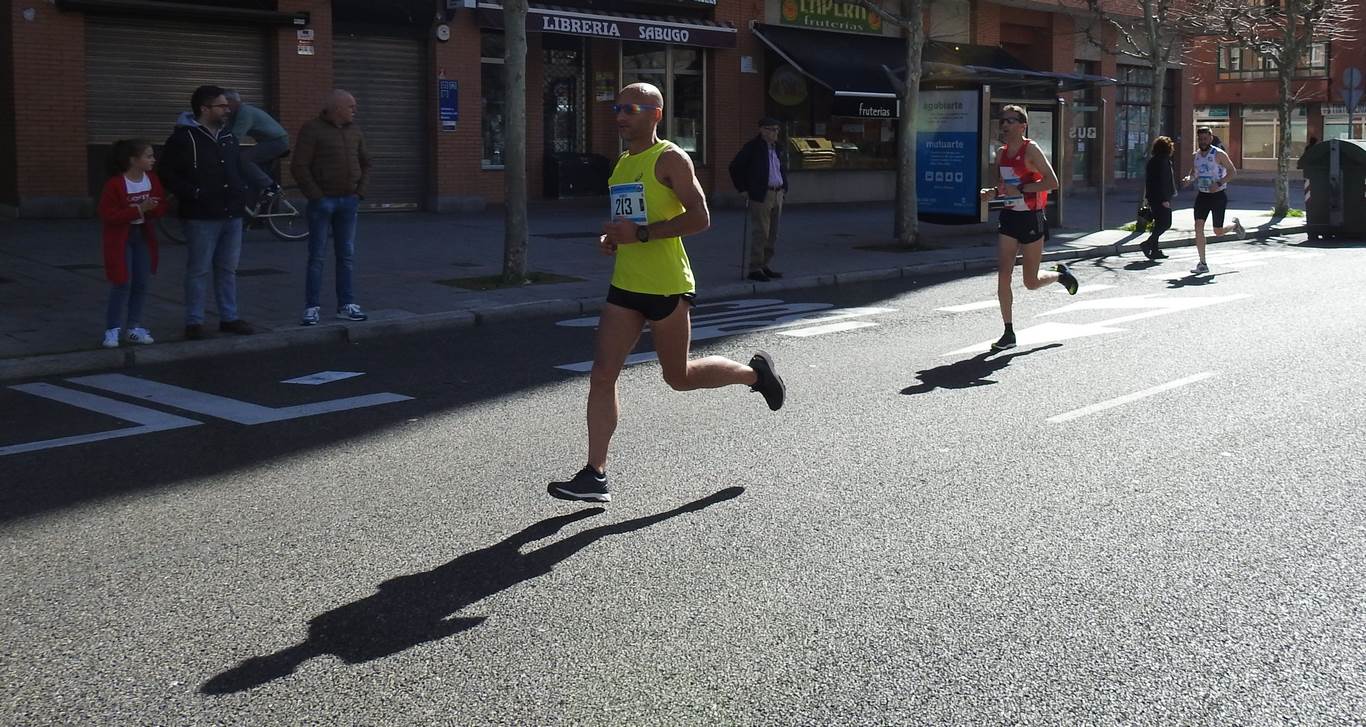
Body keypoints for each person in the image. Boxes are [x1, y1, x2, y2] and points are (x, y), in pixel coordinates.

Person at [547, 83, 787, 504]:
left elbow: (700, 218)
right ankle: (594, 474)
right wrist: (615, 240)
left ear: (656, 114)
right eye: (618, 107)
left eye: (633, 108)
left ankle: (755, 374)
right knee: (603, 374)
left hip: (667, 286)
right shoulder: (621, 164)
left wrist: (640, 234)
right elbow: (631, 223)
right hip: (625, 285)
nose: (622, 115)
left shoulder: (670, 159)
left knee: (679, 378)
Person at [978, 104, 1078, 353]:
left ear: (1023, 125)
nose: (1005, 125)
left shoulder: (1030, 149)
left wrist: (1022, 189)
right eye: (1002, 120)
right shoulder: (1001, 153)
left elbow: (1052, 182)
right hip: (1010, 217)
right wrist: (991, 193)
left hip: (1031, 218)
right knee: (1004, 274)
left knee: (1031, 282)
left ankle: (1060, 275)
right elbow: (1002, 185)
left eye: (1010, 120)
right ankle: (1008, 331)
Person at [158, 84, 254, 340]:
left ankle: (229, 317)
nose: (227, 110)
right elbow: (167, 173)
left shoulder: (228, 136)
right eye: (221, 106)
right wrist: (193, 193)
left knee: (227, 269)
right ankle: (194, 321)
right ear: (204, 108)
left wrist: (242, 192)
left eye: (227, 105)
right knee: (198, 269)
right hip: (200, 214)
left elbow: (236, 167)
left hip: (231, 212)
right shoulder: (183, 138)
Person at [292, 89, 370, 326]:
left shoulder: (355, 130)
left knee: (346, 255)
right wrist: (316, 196)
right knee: (317, 256)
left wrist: (359, 193)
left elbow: (366, 162)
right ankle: (312, 307)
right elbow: (299, 166)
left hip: (349, 201)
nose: (355, 111)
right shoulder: (312, 129)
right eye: (351, 107)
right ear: (336, 108)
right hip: (323, 202)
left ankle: (346, 304)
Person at [96, 139, 166, 348]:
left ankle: (133, 328)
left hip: (142, 236)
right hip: (121, 237)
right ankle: (112, 329)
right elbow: (108, 215)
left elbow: (160, 206)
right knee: (121, 282)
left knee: (141, 282)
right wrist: (138, 209)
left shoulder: (151, 179)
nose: (153, 160)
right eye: (148, 156)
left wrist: (152, 208)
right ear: (133, 160)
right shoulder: (116, 184)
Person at [728, 116, 788, 281]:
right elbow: (735, 167)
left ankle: (764, 264)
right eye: (772, 129)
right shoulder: (753, 147)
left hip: (777, 192)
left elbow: (780, 169)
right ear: (762, 130)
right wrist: (743, 189)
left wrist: (785, 188)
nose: (776, 133)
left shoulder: (778, 148)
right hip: (762, 194)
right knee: (761, 231)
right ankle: (755, 268)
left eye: (777, 130)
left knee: (773, 233)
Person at [1181, 126, 1245, 275]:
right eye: (1200, 139)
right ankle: (1202, 262)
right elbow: (1194, 173)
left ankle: (1234, 226)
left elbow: (1232, 171)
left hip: (1218, 196)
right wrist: (1188, 179)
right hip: (1202, 196)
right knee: (1198, 226)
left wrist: (1218, 183)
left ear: (1210, 138)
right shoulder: (1195, 156)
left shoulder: (1219, 154)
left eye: (1205, 139)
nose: (1202, 142)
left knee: (1218, 232)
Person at [224, 89, 290, 198]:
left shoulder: (244, 112)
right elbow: (226, 135)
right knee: (251, 176)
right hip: (269, 142)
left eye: (225, 104)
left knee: (244, 158)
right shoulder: (234, 115)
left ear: (232, 101)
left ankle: (271, 186)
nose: (224, 108)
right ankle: (262, 201)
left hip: (277, 141)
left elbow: (234, 137)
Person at [1142, 135, 1177, 260]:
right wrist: (1164, 199)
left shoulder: (1153, 160)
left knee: (1158, 224)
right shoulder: (1163, 161)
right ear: (1167, 148)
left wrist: (1148, 197)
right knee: (1166, 223)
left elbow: (1150, 181)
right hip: (1161, 198)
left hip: (1153, 197)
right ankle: (1148, 243)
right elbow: (1162, 181)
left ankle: (1155, 250)